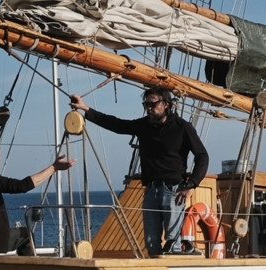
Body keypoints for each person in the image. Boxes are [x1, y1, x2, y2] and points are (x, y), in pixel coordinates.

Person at [70, 86, 209, 257]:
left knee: (173, 243)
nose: (149, 108)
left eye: (152, 104)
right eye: (146, 105)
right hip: (151, 189)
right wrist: (86, 109)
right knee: (151, 242)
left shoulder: (182, 127)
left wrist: (192, 185)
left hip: (174, 190)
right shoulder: (144, 126)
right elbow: (117, 124)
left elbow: (202, 156)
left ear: (166, 104)